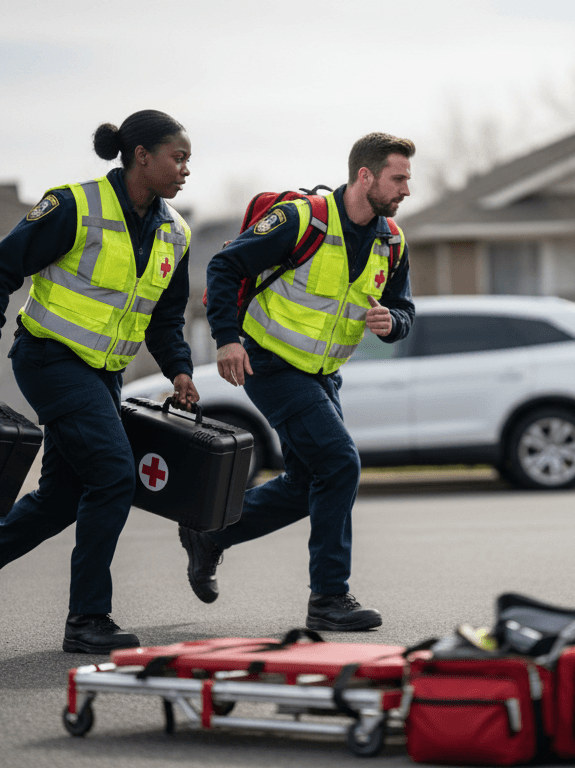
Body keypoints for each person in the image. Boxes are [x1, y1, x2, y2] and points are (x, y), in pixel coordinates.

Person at [0, 110, 199, 653]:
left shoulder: (176, 232)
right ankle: (87, 619)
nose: (187, 170)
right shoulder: (75, 206)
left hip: (104, 374)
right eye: (178, 157)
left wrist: (180, 370)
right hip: (49, 359)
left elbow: (164, 318)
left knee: (63, 497)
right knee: (115, 474)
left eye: (189, 160)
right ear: (141, 155)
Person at [178, 132, 416, 631]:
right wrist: (227, 339)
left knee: (309, 480)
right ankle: (329, 597)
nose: (406, 190)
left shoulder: (391, 241)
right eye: (398, 178)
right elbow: (224, 265)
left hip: (324, 375)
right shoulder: (299, 219)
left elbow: (405, 309)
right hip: (269, 363)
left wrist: (393, 323)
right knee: (340, 463)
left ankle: (211, 534)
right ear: (365, 176)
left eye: (408, 180)